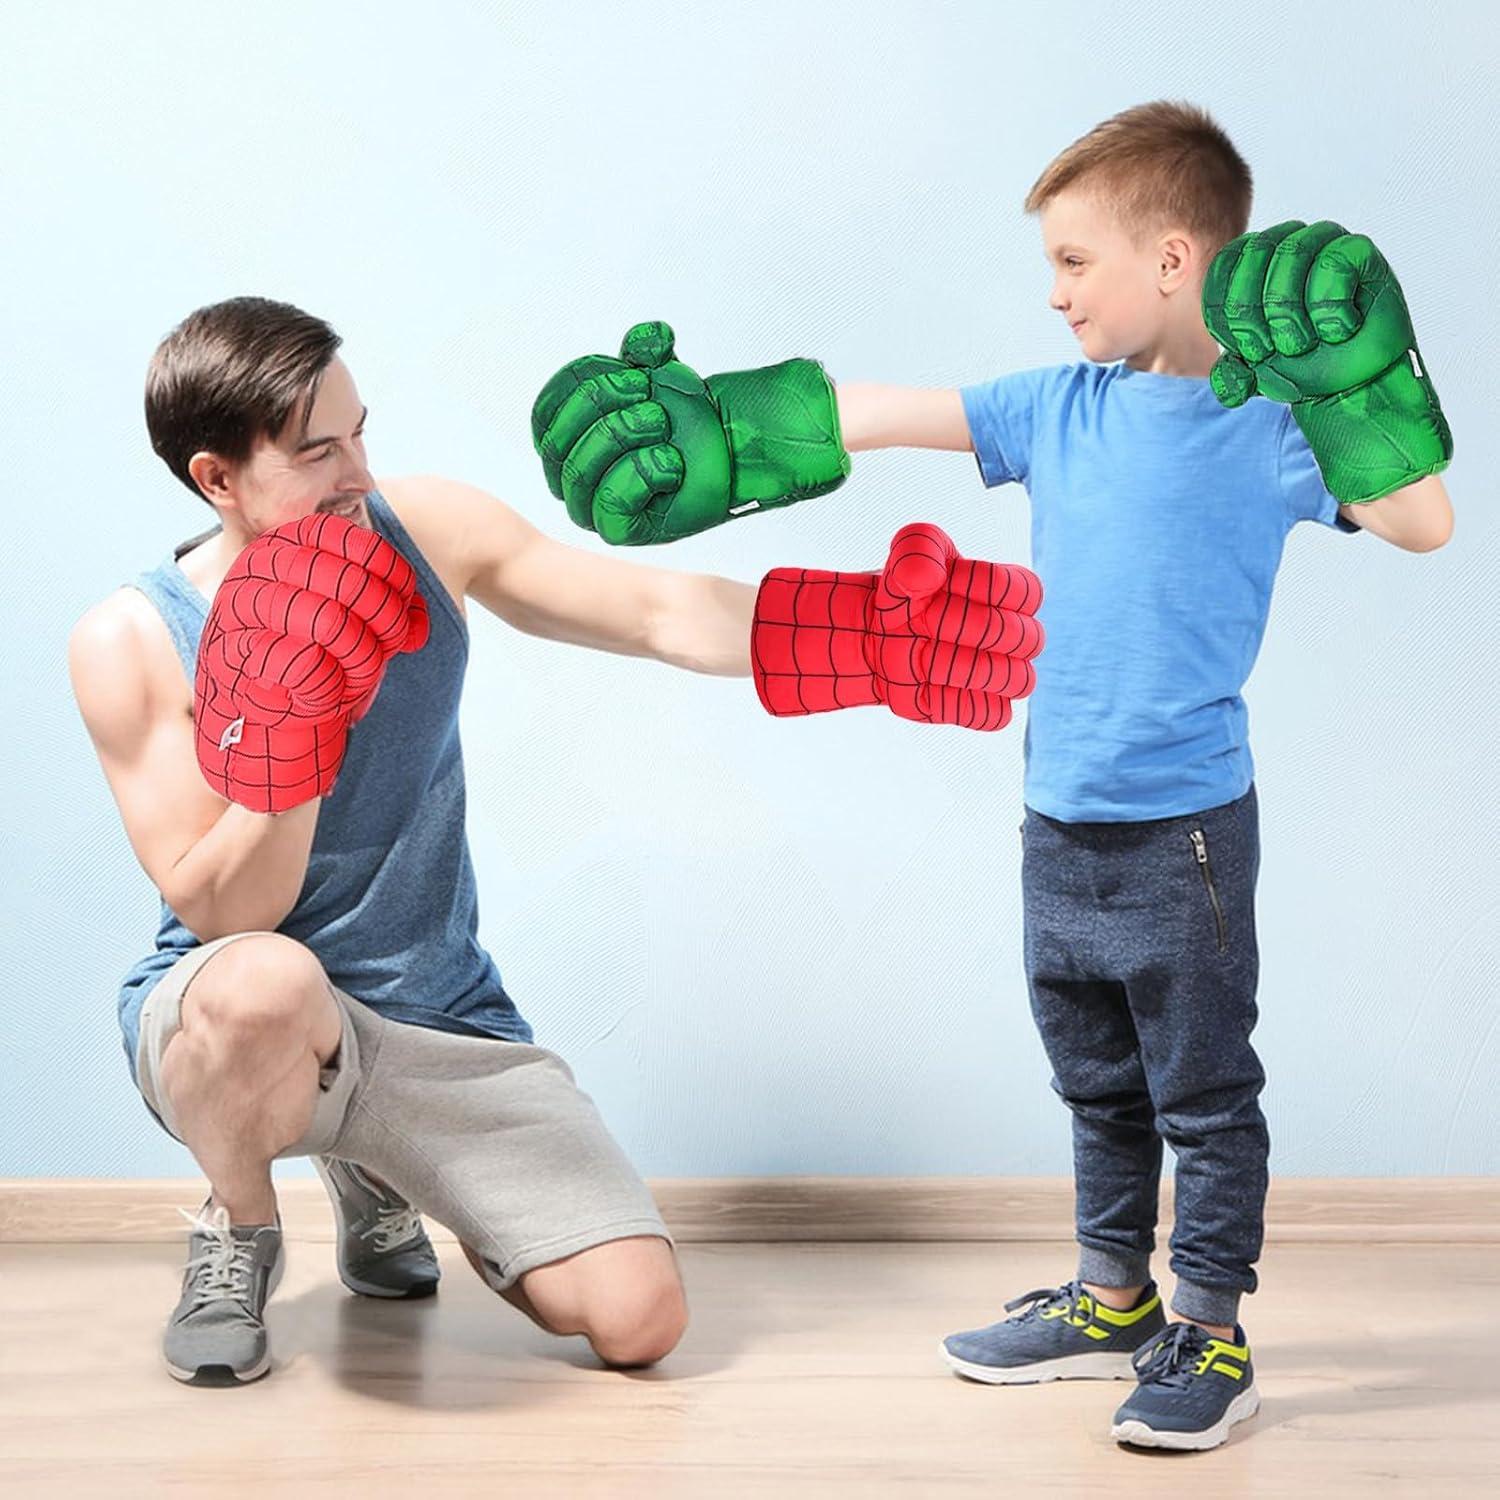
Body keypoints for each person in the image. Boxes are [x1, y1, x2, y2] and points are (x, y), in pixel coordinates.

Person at [528, 99, 1454, 1450]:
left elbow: (1423, 524)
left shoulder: (1274, 428)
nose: (1056, 290)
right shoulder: (1057, 408)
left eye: (1077, 261)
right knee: (1094, 1081)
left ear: (1176, 260)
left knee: (1203, 1092)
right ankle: (1110, 1299)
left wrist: (1367, 381)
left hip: (1184, 829)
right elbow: (889, 411)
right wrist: (727, 424)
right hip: (1057, 817)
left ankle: (1209, 1331)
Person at [68, 296, 1041, 1386]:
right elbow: (218, 915)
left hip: (433, 1012)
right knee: (269, 982)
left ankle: (376, 1167)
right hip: (231, 1011)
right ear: (217, 478)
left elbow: (654, 613)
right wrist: (295, 739)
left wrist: (862, 637)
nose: (360, 475)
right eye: (317, 453)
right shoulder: (133, 639)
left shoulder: (423, 531)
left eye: (360, 433)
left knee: (639, 1321)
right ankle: (240, 1227)